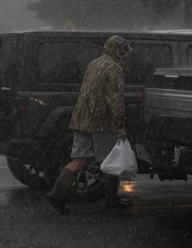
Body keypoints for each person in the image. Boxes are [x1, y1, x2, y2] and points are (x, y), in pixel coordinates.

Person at [45, 35, 134, 215]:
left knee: (79, 160)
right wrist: (120, 124)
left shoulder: (94, 63)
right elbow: (114, 98)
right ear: (119, 51)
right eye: (124, 52)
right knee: (111, 162)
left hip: (81, 118)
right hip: (101, 121)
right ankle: (112, 200)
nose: (125, 56)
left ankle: (57, 194)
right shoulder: (114, 68)